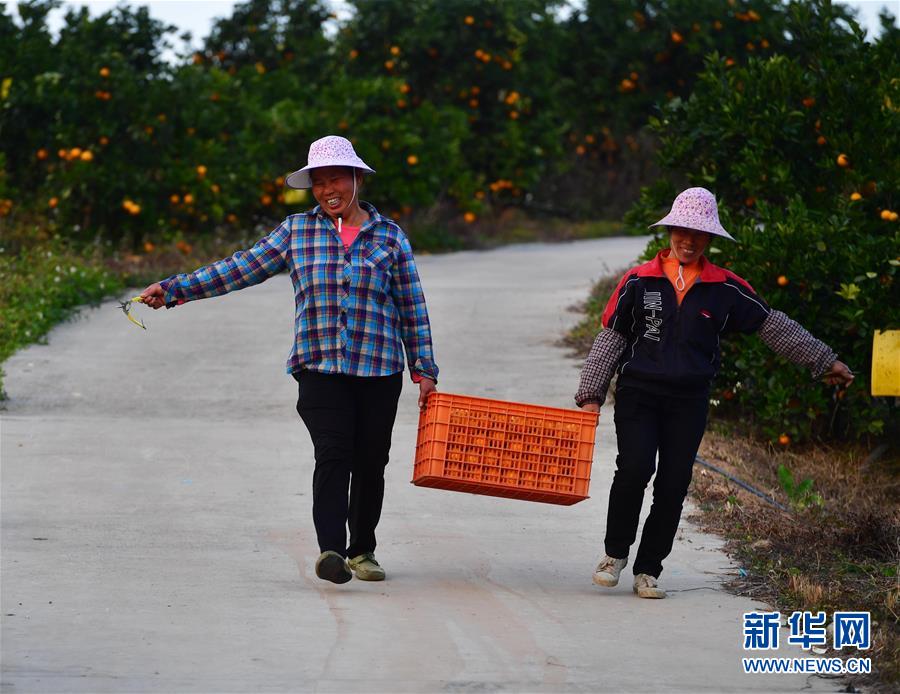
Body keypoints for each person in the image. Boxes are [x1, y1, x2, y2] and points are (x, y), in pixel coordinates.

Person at [139, 135, 439, 585]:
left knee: (370, 460)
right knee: (333, 452)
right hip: (318, 367)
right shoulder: (296, 231)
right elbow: (240, 267)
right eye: (318, 182)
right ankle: (331, 551)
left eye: (335, 179)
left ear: (356, 179)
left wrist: (424, 368)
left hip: (378, 369)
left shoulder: (389, 237)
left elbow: (411, 305)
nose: (327, 190)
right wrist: (176, 288)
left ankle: (363, 550)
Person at [574, 187, 853, 599]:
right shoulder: (638, 280)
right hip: (638, 394)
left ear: (709, 238)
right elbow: (611, 336)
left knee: (673, 483)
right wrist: (591, 394)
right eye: (682, 231)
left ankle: (648, 570)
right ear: (669, 231)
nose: (688, 241)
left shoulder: (724, 287)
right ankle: (614, 554)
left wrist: (824, 360)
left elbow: (773, 325)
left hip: (688, 400)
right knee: (633, 469)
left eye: (698, 234)